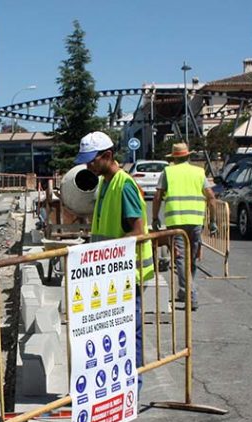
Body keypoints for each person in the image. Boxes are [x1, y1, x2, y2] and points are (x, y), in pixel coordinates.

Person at [76, 131, 155, 385]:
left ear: (108, 155)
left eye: (92, 160)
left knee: (130, 333)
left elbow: (138, 231)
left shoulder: (125, 185)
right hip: (109, 275)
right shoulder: (105, 184)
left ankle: (133, 386)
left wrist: (107, 253)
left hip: (126, 274)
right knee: (112, 333)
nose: (89, 165)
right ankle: (117, 385)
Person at [150, 143, 218, 311]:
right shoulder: (199, 172)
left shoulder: (168, 172)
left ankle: (190, 295)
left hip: (176, 222)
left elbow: (158, 196)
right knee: (192, 258)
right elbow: (211, 197)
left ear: (173, 158)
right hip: (195, 221)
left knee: (180, 259)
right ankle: (185, 290)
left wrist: (155, 218)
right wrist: (213, 221)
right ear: (188, 156)